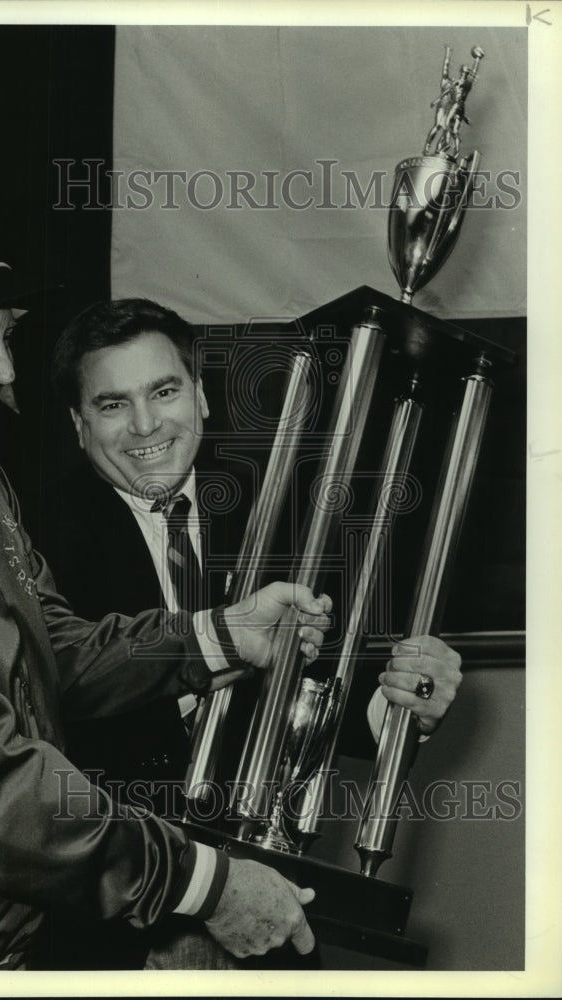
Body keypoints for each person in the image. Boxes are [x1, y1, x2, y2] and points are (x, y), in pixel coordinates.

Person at [0, 201, 336, 970]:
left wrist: (218, 633)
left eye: (6, 335)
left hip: (0, 944)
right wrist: (206, 885)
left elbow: (51, 655)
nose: (7, 370)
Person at [40, 297, 464, 969]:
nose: (145, 425)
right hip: (108, 934)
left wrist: (399, 704)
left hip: (264, 920)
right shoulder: (30, 538)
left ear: (201, 396)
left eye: (164, 390)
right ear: (78, 423)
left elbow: (329, 697)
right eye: (112, 404)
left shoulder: (286, 517)